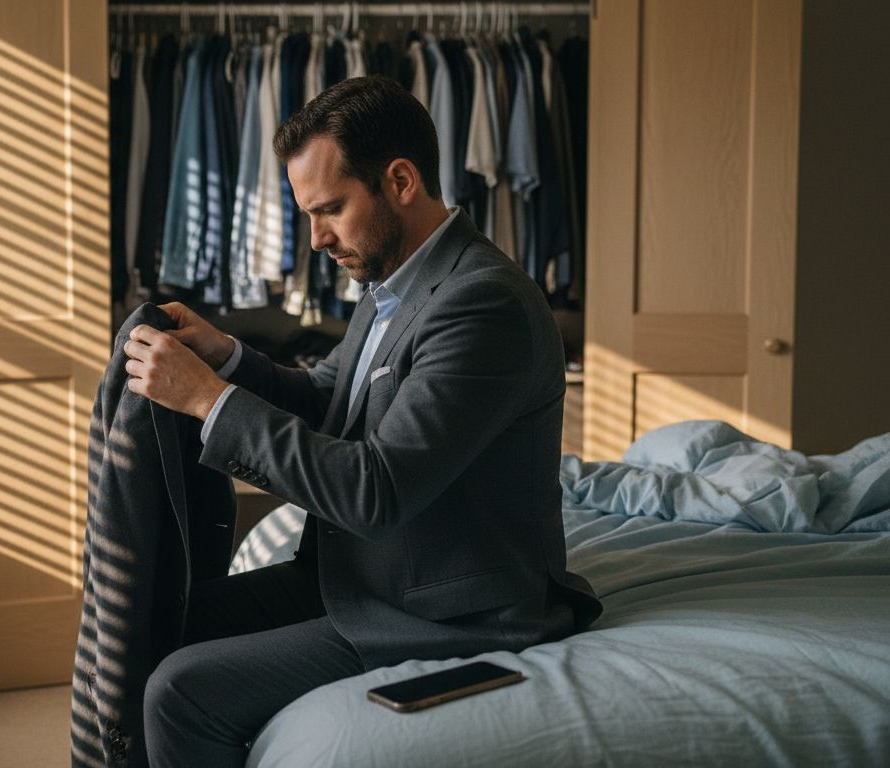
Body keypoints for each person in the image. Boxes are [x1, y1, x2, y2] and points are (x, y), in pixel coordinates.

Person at [122, 75, 600, 766]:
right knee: (153, 626)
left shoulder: (483, 305)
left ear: (400, 180)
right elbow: (331, 401)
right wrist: (226, 359)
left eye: (331, 210)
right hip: (360, 577)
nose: (315, 240)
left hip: (446, 611)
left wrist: (206, 401)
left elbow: (375, 491)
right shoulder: (391, 283)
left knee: (179, 690)